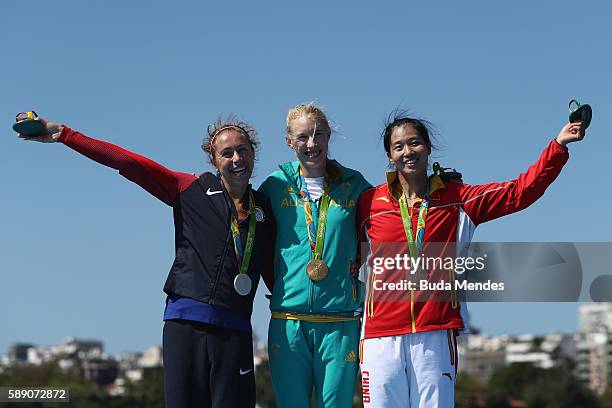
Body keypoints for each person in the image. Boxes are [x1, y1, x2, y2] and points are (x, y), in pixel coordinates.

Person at [17, 116, 276, 408]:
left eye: (243, 150)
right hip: (185, 324)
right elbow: (128, 162)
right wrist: (65, 134)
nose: (237, 158)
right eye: (226, 153)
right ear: (214, 161)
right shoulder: (189, 188)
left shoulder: (265, 209)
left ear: (253, 153)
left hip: (236, 331)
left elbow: (270, 267)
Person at [356, 112, 587, 407]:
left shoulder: (458, 199)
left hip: (435, 332)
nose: (407, 152)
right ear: (390, 156)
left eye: (414, 143)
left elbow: (520, 191)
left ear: (427, 148)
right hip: (380, 335)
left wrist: (559, 145)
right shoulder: (368, 203)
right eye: (398, 146)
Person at [258, 103, 372, 407]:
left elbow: (386, 219)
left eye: (318, 134)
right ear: (289, 141)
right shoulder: (274, 185)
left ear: (328, 136)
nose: (311, 144)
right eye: (303, 137)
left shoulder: (355, 185)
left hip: (341, 321)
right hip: (288, 320)